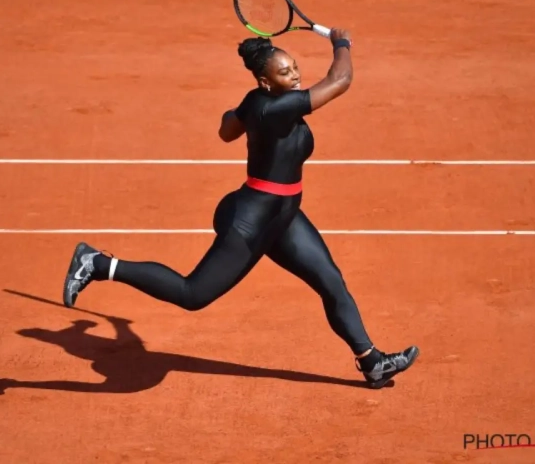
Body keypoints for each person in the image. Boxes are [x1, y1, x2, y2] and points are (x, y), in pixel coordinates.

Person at [62, 28, 419, 389]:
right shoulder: (277, 108)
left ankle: (372, 362)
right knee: (192, 295)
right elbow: (340, 79)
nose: (295, 75)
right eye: (284, 72)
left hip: (284, 216)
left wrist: (243, 110)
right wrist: (341, 43)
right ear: (267, 82)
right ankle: (97, 263)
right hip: (250, 221)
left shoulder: (259, 102)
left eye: (294, 67)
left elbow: (226, 131)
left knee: (331, 282)